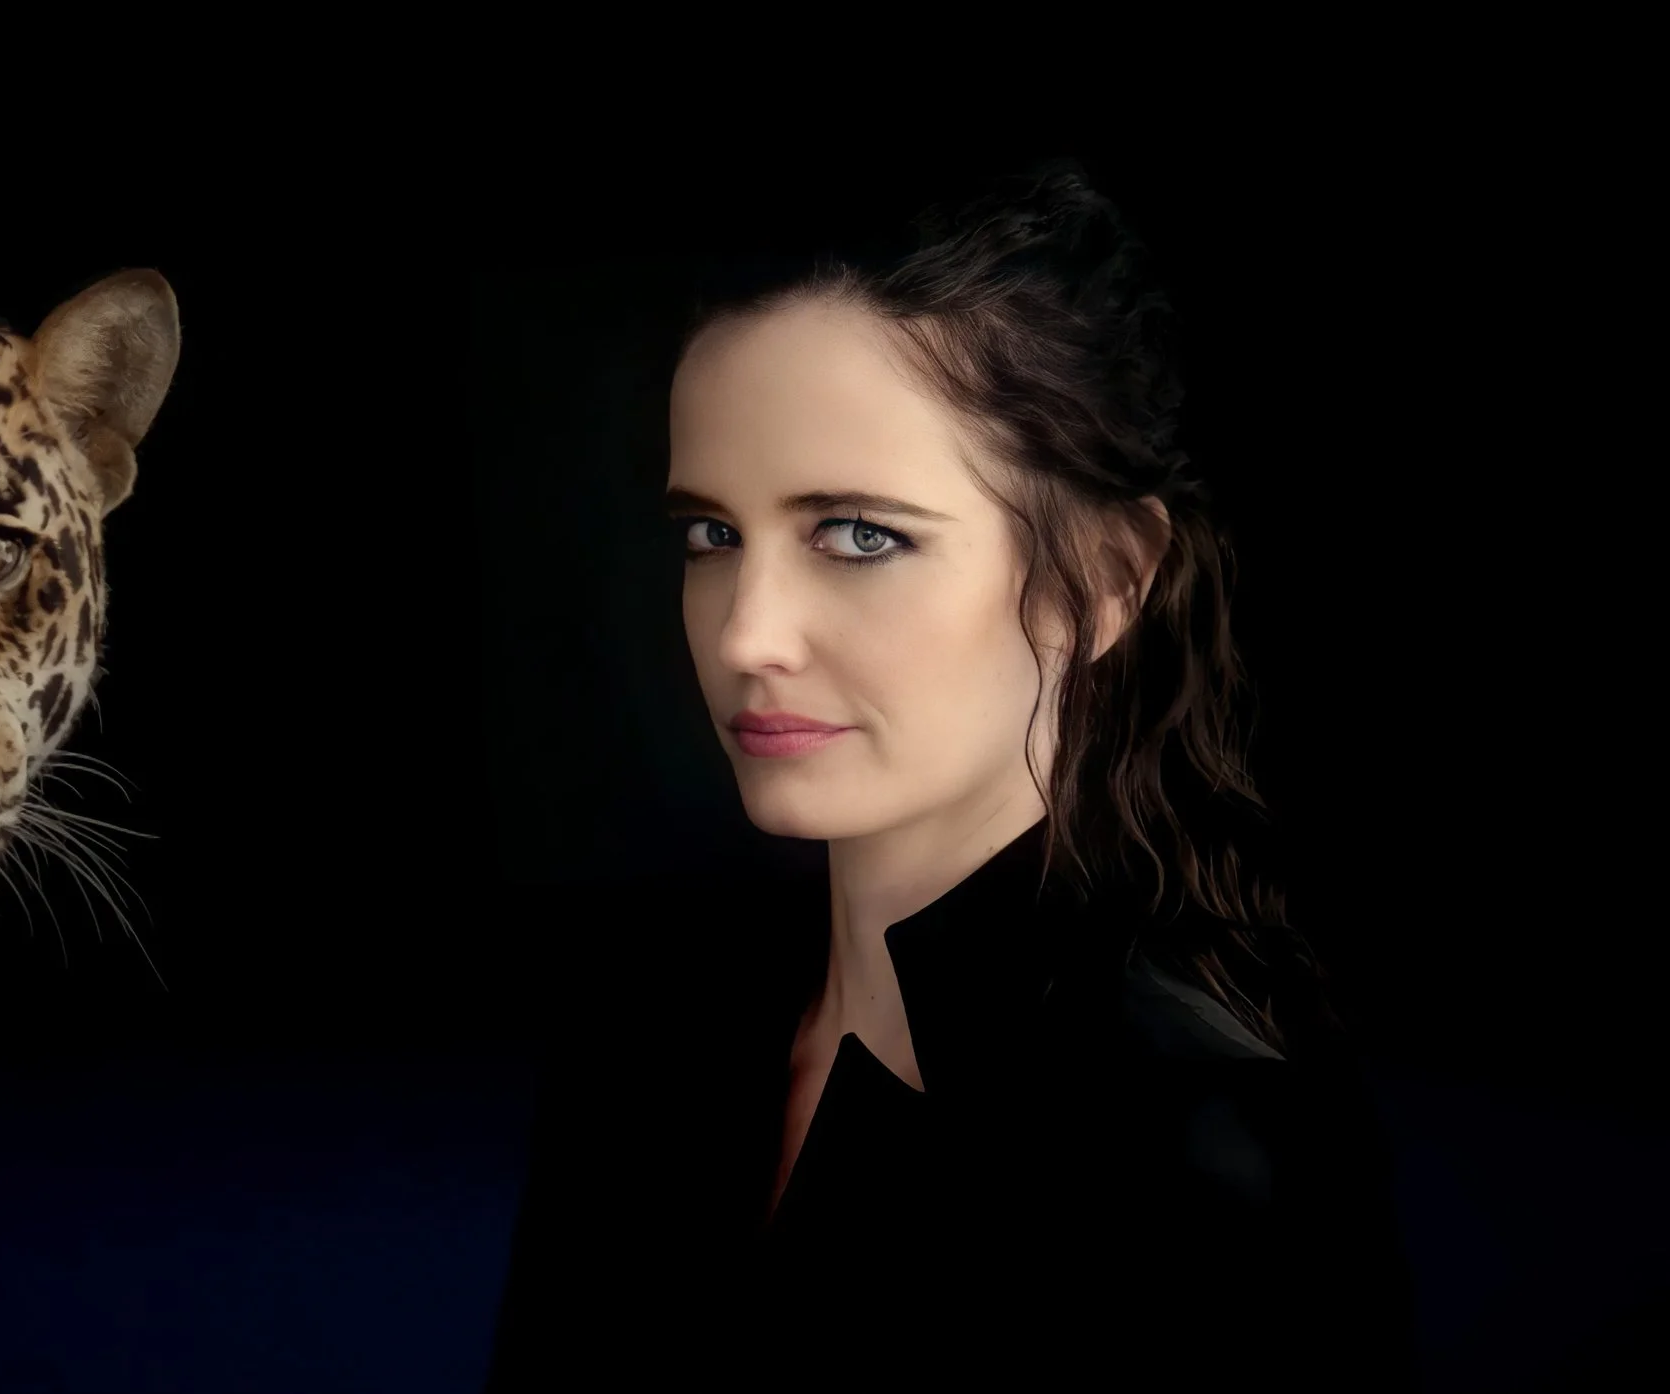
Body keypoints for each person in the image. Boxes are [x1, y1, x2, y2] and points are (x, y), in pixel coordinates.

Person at [481, 163, 1419, 1390]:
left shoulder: (1207, 1139)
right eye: (712, 533)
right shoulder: (646, 1041)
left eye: (861, 534)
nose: (744, 632)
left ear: (1108, 577)